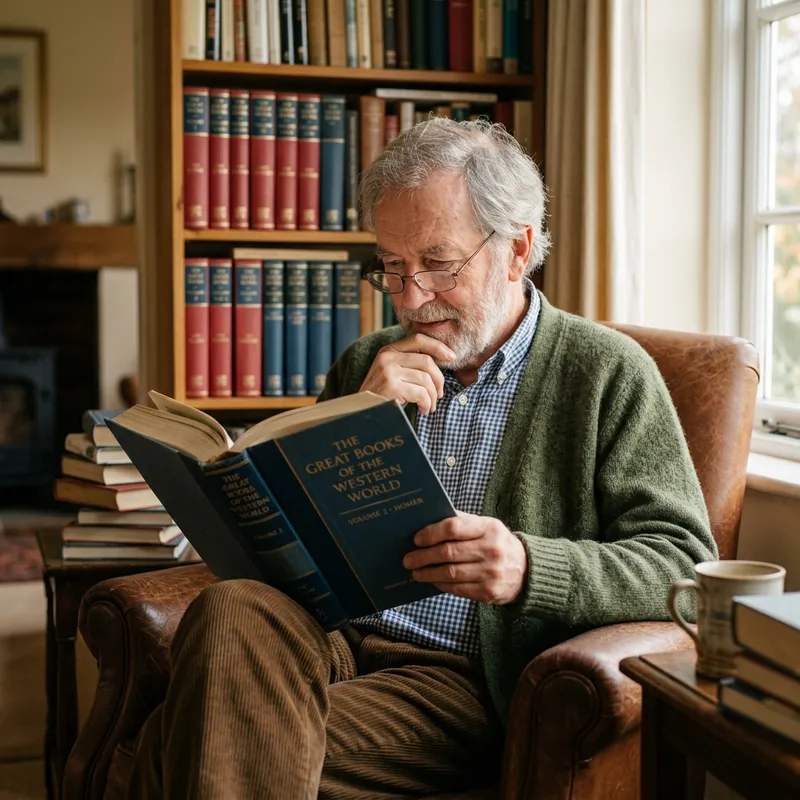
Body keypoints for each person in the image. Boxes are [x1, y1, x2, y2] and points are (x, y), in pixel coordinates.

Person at [129, 118, 717, 799]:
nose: (411, 299)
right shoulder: (366, 363)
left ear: (517, 249)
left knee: (181, 738)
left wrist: (530, 567)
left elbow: (686, 568)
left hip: (460, 676)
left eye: (438, 264)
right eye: (393, 267)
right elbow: (297, 538)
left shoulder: (606, 374)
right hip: (329, 640)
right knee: (231, 607)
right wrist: (352, 420)